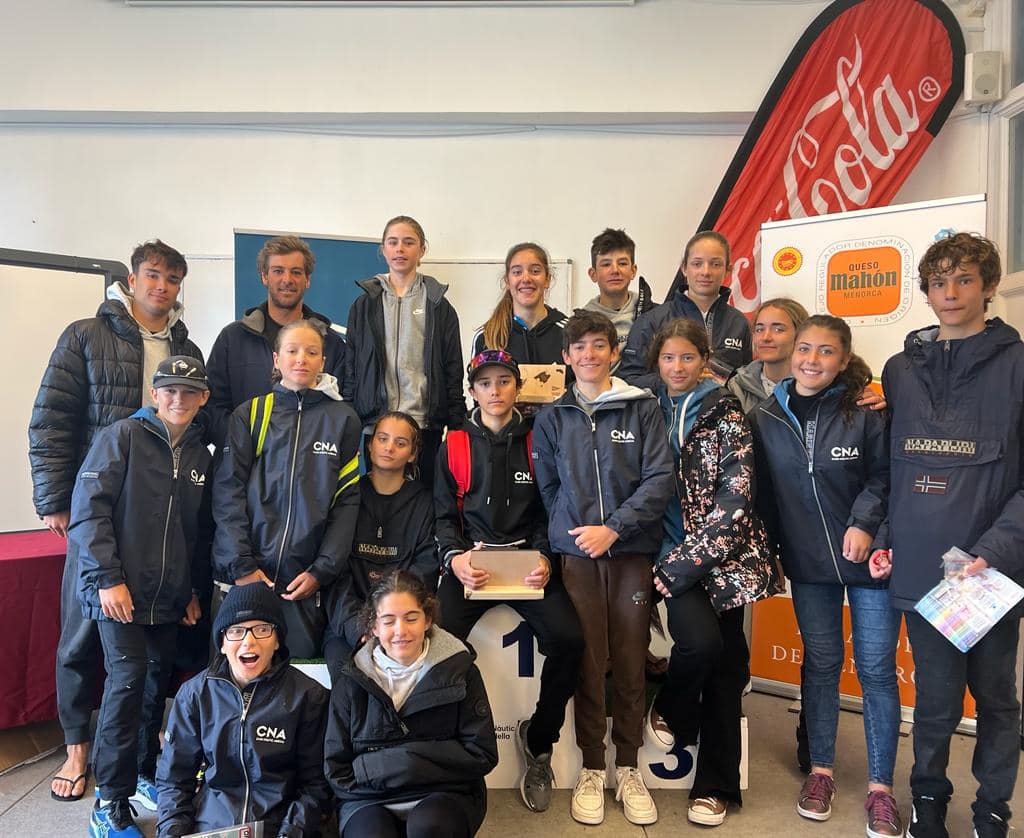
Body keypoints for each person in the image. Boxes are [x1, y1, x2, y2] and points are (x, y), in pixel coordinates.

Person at [29, 239, 204, 804]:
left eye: (171, 279)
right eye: (152, 276)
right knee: (84, 633)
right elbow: (52, 416)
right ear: (132, 278)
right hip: (96, 506)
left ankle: (139, 757)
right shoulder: (87, 333)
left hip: (154, 513)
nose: (161, 287)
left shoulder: (184, 346)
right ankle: (78, 748)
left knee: (147, 656)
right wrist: (56, 498)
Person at [871, 233, 1024, 838]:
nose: (951, 293)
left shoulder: (1018, 365)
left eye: (964, 280)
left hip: (989, 575)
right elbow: (891, 468)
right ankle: (926, 804)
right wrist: (885, 534)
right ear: (927, 292)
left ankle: (993, 810)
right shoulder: (900, 369)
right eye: (939, 282)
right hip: (924, 570)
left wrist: (992, 553)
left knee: (996, 700)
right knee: (933, 703)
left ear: (988, 287)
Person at [749, 314, 899, 836]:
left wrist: (864, 525)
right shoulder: (767, 414)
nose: (812, 360)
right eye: (805, 349)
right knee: (821, 664)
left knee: (877, 670)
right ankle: (821, 771)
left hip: (868, 560)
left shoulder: (864, 407)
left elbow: (885, 476)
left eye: (826, 351)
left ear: (844, 358)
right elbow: (764, 493)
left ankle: (881, 788)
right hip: (809, 565)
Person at [532, 310, 675, 827]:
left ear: (614, 353)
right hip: (576, 555)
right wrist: (574, 534)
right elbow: (548, 489)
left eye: (599, 345)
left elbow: (660, 477)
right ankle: (594, 766)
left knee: (633, 657)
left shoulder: (643, 409)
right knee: (590, 660)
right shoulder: (552, 417)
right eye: (579, 348)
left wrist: (614, 528)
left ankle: (629, 767)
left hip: (631, 551)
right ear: (566, 357)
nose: (589, 355)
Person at [645, 319, 782, 828]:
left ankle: (716, 785)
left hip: (721, 559)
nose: (677, 367)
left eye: (687, 358)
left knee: (726, 669)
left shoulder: (727, 413)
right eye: (668, 358)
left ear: (704, 360)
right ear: (656, 362)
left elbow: (735, 498)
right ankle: (674, 706)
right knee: (700, 646)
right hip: (665, 553)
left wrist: (686, 562)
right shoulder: (645, 409)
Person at [435, 349, 584, 814]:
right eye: (485, 383)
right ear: (472, 390)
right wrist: (454, 558)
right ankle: (444, 751)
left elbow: (549, 508)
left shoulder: (538, 438)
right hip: (472, 564)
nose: (495, 391)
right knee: (434, 646)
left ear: (517, 388)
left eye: (503, 382)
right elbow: (441, 516)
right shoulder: (454, 442)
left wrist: (544, 554)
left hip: (526, 563)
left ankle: (538, 743)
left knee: (569, 640)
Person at [69, 355, 212, 838]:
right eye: (169, 390)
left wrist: (191, 591)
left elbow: (194, 533)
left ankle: (145, 775)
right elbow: (89, 514)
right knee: (126, 685)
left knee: (155, 688)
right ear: (154, 394)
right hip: (118, 594)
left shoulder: (199, 454)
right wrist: (108, 578)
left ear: (203, 399)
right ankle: (109, 800)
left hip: (168, 597)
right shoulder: (121, 437)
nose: (178, 399)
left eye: (188, 392)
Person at [213, 319, 362, 658]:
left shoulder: (343, 420)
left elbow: (346, 502)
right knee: (243, 673)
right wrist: (242, 566)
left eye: (312, 352)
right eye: (292, 351)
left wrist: (321, 570)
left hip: (304, 583)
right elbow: (228, 493)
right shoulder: (251, 414)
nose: (301, 359)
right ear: (276, 359)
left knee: (298, 679)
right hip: (248, 575)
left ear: (323, 362)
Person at [325, 571, 499, 838]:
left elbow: (481, 753)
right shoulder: (350, 681)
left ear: (427, 620)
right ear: (374, 627)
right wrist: (416, 761)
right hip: (367, 798)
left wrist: (397, 764)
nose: (400, 631)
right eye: (388, 620)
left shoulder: (461, 670)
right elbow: (338, 770)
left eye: (411, 618)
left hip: (445, 794)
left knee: (430, 826)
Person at [156, 582, 330, 837]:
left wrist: (291, 831)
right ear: (223, 643)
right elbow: (174, 779)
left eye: (262, 629)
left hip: (283, 826)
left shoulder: (308, 696)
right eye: (236, 631)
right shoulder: (194, 695)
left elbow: (315, 786)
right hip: (214, 825)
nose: (249, 641)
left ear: (278, 640)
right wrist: (171, 831)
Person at [342, 215, 466, 488]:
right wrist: (350, 421)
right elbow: (351, 368)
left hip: (424, 423)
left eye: (409, 242)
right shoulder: (363, 306)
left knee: (423, 497)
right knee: (375, 497)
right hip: (375, 423)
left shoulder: (438, 305)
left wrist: (457, 424)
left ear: (421, 250)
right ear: (383, 250)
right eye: (393, 242)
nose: (400, 249)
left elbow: (452, 368)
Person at [324, 410, 437, 681]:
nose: (389, 447)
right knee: (347, 681)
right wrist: (358, 627)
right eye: (383, 439)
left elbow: (426, 566)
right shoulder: (347, 494)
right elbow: (334, 570)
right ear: (369, 445)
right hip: (350, 623)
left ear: (412, 454)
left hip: (404, 624)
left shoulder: (424, 502)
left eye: (400, 443)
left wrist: (395, 623)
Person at [206, 234, 347, 446]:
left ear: (307, 279)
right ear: (264, 276)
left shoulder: (330, 343)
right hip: (242, 469)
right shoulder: (233, 339)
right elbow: (212, 406)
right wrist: (245, 445)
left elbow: (340, 411)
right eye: (278, 271)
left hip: (305, 469)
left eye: (296, 272)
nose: (287, 280)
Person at [619, 230, 752, 388]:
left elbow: (746, 381)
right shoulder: (652, 321)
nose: (706, 272)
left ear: (728, 270)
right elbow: (629, 379)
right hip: (667, 411)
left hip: (724, 410)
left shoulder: (739, 323)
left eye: (716, 264)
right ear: (684, 268)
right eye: (697, 264)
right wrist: (674, 380)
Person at [473, 242, 571, 393]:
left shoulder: (571, 333)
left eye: (535, 271)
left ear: (547, 280)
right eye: (517, 272)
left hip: (559, 418)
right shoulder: (486, 337)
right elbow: (479, 401)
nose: (526, 278)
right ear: (507, 281)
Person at [583, 227, 657, 360]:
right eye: (606, 264)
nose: (615, 270)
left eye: (622, 263)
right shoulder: (580, 324)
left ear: (633, 271)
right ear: (593, 274)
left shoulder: (655, 316)